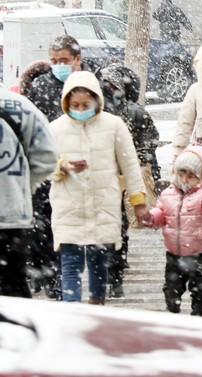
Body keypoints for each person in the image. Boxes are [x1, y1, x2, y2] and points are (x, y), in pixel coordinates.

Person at [49, 71, 148, 304]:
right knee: (70, 264)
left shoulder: (114, 126)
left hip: (103, 205)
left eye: (85, 104)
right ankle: (71, 311)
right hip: (68, 207)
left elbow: (130, 165)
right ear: (66, 103)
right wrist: (63, 167)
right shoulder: (55, 128)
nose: (80, 109)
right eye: (75, 105)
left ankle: (96, 306)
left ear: (97, 101)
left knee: (98, 263)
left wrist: (139, 203)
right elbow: (44, 165)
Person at [23, 35, 101, 298]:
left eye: (64, 60)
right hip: (48, 166)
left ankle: (70, 278)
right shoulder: (42, 87)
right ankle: (48, 274)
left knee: (79, 229)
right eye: (54, 60)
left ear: (77, 60)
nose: (58, 65)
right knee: (44, 224)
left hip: (83, 170)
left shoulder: (91, 86)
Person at [100, 64, 161, 298]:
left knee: (119, 222)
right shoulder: (100, 111)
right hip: (106, 174)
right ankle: (111, 269)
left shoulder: (134, 112)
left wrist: (143, 160)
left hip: (125, 174)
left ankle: (115, 269)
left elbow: (149, 140)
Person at [144, 146, 202, 317]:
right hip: (175, 252)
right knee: (171, 287)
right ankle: (172, 311)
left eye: (191, 175)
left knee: (200, 289)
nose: (185, 179)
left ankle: (198, 317)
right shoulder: (168, 194)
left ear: (201, 176)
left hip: (201, 252)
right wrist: (152, 218)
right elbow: (161, 213)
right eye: (181, 173)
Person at [0, 87, 57, 297]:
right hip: (11, 216)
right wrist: (22, 185)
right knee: (12, 289)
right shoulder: (20, 106)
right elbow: (47, 157)